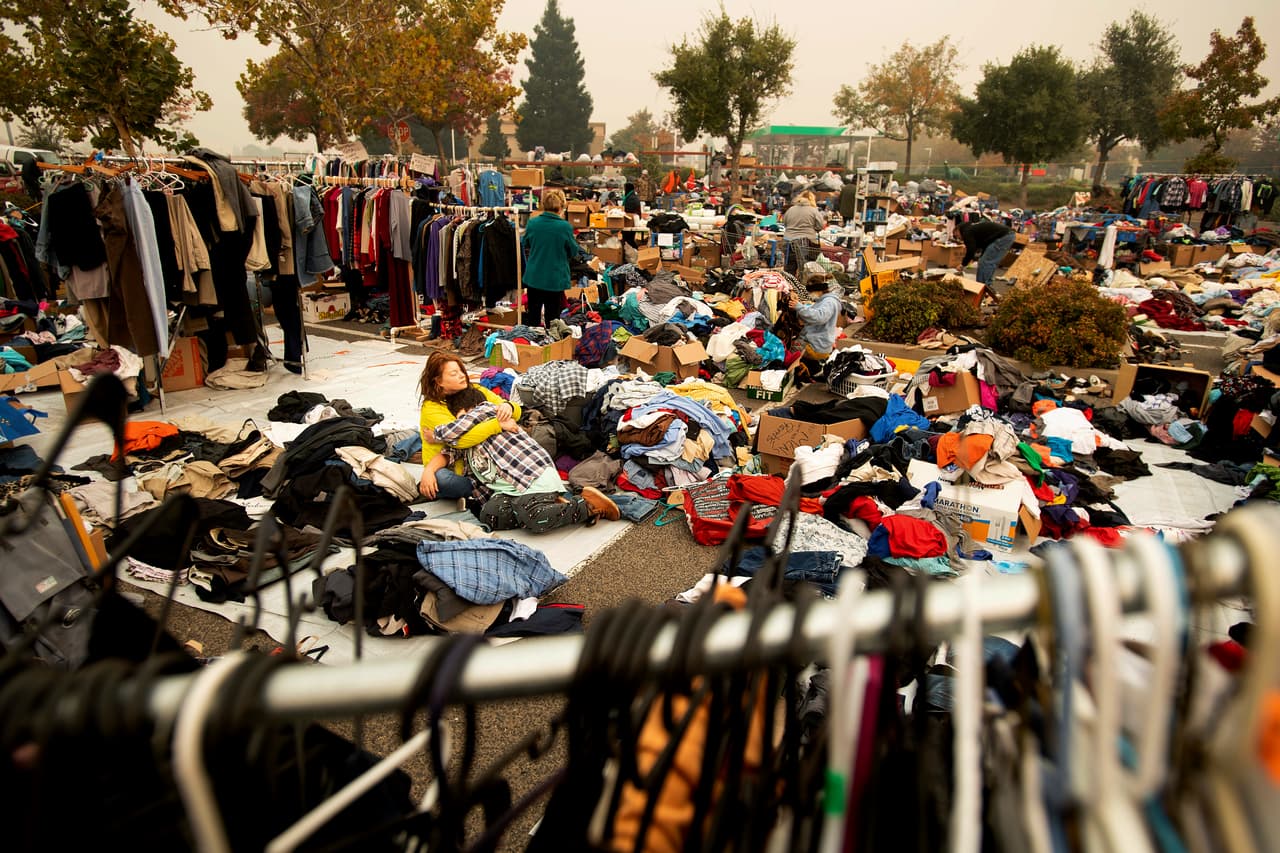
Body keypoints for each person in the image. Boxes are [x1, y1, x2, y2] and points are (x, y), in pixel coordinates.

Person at [430, 377, 620, 532]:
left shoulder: (488, 411)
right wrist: (428, 472)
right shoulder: (466, 440)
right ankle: (554, 508)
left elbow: (453, 430)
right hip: (512, 491)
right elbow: (448, 452)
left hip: (532, 478)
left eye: (461, 417)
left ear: (471, 410)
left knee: (532, 518)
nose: (460, 425)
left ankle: (586, 507)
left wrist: (434, 435)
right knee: (489, 515)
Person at [520, 188, 581, 328]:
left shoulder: (533, 223)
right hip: (555, 278)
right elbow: (573, 251)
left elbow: (526, 243)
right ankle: (551, 345)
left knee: (533, 316)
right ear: (560, 207)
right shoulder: (564, 227)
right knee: (552, 318)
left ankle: (533, 344)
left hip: (534, 277)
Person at [788, 276, 845, 374]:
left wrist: (799, 307)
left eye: (810, 292)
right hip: (820, 343)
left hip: (816, 345)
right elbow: (816, 312)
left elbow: (819, 317)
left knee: (789, 351)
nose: (810, 294)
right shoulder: (825, 301)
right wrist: (802, 307)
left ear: (818, 290)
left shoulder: (829, 302)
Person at [955, 215, 1016, 284]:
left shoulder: (966, 232)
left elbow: (971, 250)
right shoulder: (972, 229)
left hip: (1004, 236)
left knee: (986, 262)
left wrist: (963, 264)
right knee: (985, 261)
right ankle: (983, 284)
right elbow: (984, 246)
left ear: (958, 230)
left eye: (957, 235)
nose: (958, 238)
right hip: (1006, 235)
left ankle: (983, 286)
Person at [782, 190, 826, 275]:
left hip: (789, 242)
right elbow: (820, 226)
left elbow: (785, 223)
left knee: (789, 268)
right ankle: (803, 285)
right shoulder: (814, 211)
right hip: (806, 243)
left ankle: (790, 285)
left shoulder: (790, 209)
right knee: (806, 269)